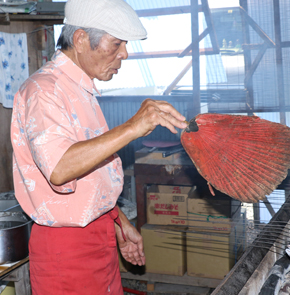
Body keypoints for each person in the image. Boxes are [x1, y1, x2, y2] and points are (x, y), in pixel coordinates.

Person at [10, 0, 187, 294]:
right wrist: (132, 127)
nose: (125, 54)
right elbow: (60, 168)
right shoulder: (43, 91)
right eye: (116, 43)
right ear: (80, 39)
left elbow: (91, 170)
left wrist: (117, 220)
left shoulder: (80, 89)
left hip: (100, 237)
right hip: (66, 252)